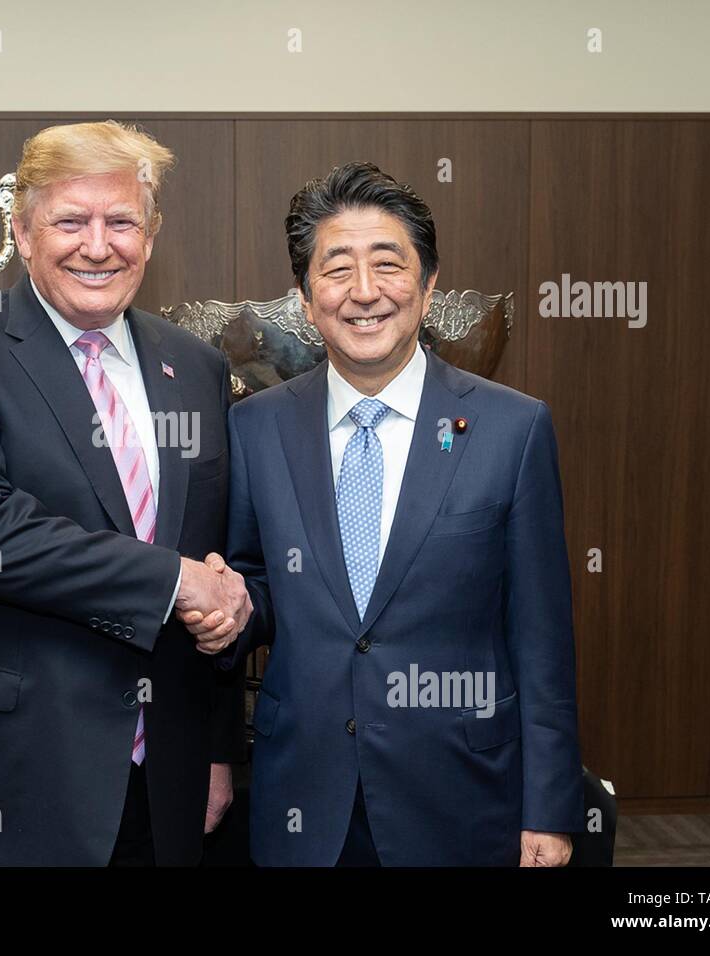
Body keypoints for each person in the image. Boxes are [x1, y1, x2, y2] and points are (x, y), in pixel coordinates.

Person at [185, 161, 583, 866]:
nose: (363, 292)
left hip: (460, 797)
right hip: (305, 794)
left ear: (428, 287)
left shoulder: (512, 429)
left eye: (388, 266)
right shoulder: (256, 428)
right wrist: (233, 609)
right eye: (336, 269)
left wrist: (549, 811)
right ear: (307, 301)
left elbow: (541, 641)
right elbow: (257, 586)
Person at [0, 121, 250, 866]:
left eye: (122, 221)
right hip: (7, 776)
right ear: (21, 229)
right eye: (70, 221)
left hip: (162, 780)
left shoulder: (196, 365)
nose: (98, 244)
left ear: (152, 231)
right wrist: (175, 581)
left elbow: (218, 549)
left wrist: (212, 750)